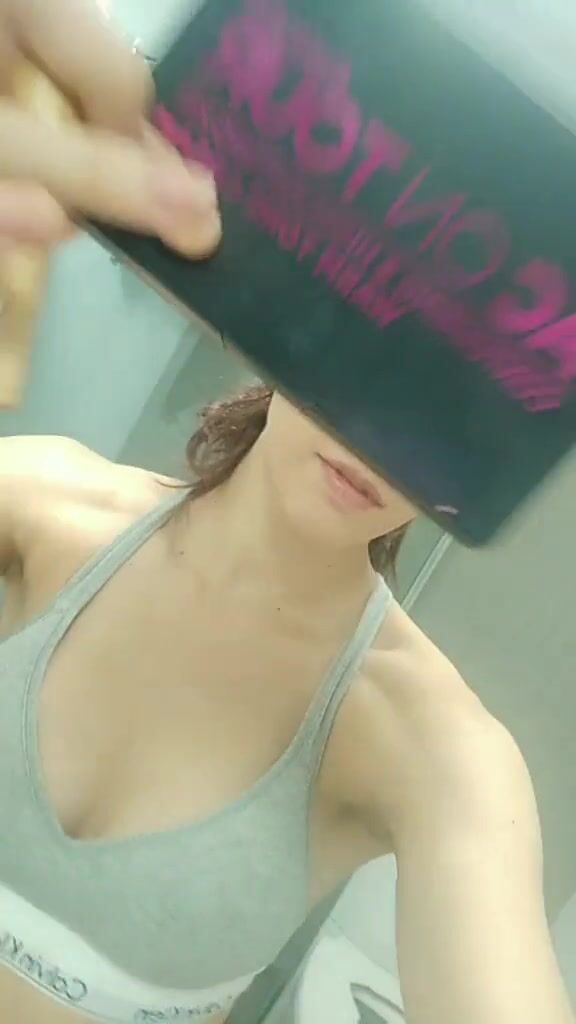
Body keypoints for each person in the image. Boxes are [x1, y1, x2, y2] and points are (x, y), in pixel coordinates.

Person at [0, 3, 573, 1024]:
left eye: (449, 405)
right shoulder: (39, 502)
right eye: (374, 356)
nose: (380, 436)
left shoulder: (433, 750)